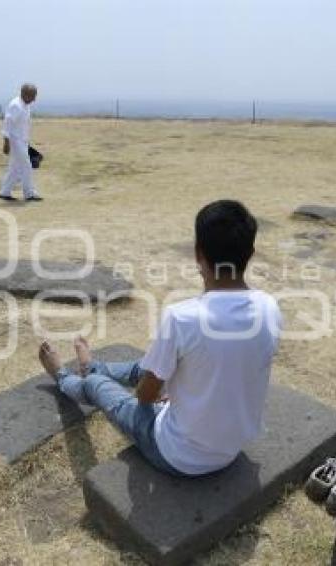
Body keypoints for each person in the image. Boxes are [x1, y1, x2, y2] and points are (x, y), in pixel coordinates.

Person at [38, 200, 283, 477]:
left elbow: (145, 396)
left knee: (98, 385)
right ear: (250, 252)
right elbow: (232, 366)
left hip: (176, 454)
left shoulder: (182, 317)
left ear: (198, 254)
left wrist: (164, 394)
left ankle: (65, 376)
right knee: (152, 364)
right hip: (230, 449)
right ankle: (94, 366)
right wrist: (176, 392)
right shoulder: (269, 307)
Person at [0, 83, 43, 202]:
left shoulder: (25, 105)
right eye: (32, 96)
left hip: (22, 141)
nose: (34, 99)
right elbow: (7, 124)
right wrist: (6, 143)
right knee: (26, 166)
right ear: (24, 94)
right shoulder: (16, 105)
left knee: (14, 168)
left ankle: (4, 192)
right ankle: (29, 194)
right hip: (14, 141)